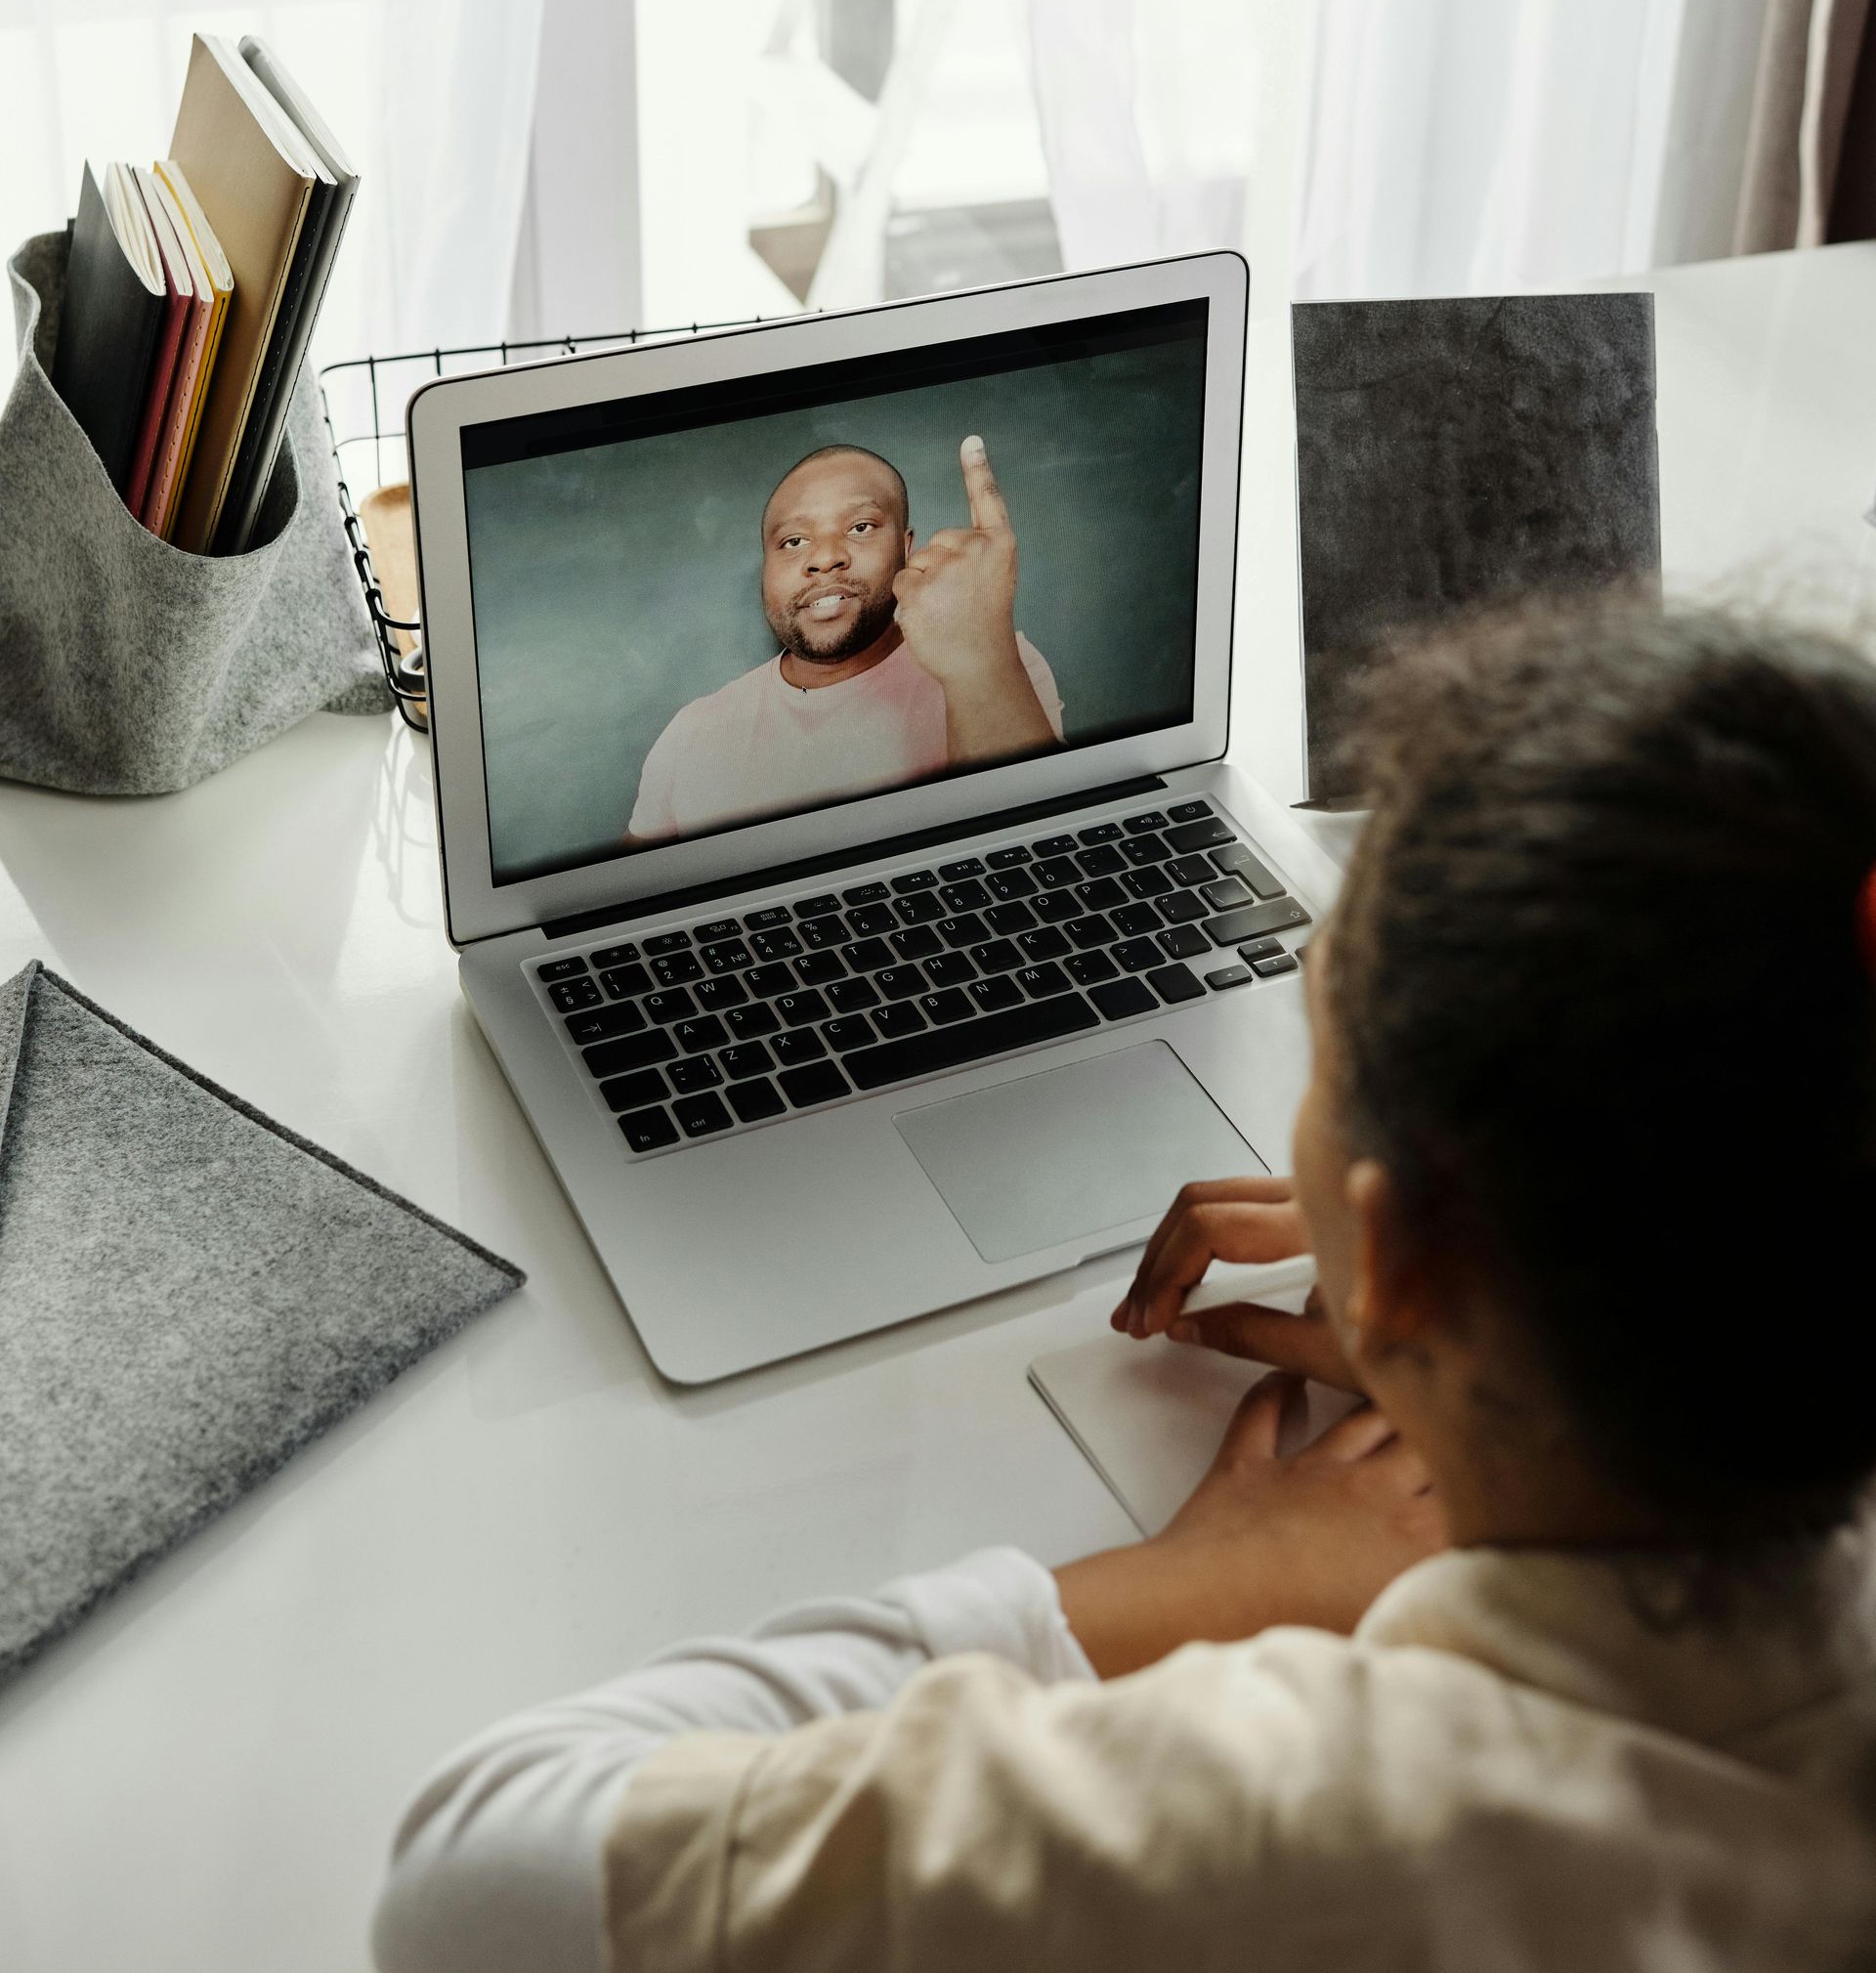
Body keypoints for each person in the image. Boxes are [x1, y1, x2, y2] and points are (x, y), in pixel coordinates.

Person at [375, 599, 1876, 1973]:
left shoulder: (1276, 1818)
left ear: (1408, 1255)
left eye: (1317, 1064)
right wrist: (1519, 1315)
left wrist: (1185, 1587)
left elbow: (475, 1880)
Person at [627, 434, 1063, 842]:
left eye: (860, 528)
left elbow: (1030, 852)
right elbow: (635, 893)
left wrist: (978, 665)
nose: (824, 557)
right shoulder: (691, 733)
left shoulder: (998, 662)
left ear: (905, 550)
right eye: (794, 541)